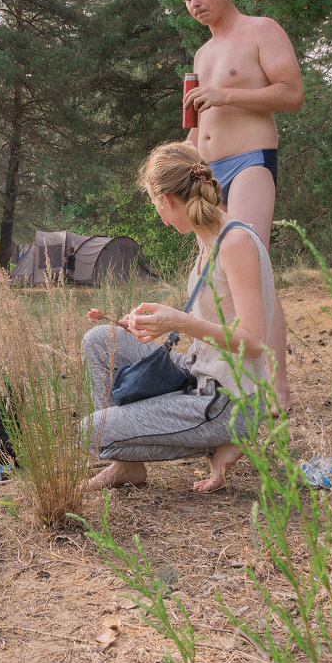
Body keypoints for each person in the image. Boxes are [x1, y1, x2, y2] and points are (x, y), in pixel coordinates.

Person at [82, 142, 276, 493]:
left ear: (167, 199)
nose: (160, 217)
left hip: (227, 400)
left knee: (91, 430)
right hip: (198, 373)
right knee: (99, 339)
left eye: (157, 207)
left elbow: (254, 341)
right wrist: (157, 319)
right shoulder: (209, 237)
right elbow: (216, 318)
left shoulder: (235, 243)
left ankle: (226, 440)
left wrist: (178, 322)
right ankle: (126, 465)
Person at [180, 0, 303, 411]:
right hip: (205, 171)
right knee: (213, 276)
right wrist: (180, 157)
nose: (195, 3)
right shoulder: (202, 54)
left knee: (252, 265)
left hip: (250, 158)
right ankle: (228, 382)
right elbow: (197, 124)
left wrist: (226, 94)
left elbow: (292, 94)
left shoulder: (261, 30)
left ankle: (277, 382)